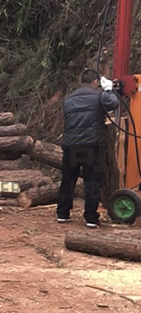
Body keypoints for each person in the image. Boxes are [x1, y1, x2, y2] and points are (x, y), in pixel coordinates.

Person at [56, 68, 119, 227]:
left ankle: (62, 213)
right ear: (96, 82)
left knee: (68, 180)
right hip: (91, 146)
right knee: (91, 181)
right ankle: (91, 218)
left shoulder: (68, 99)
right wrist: (109, 89)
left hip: (71, 146)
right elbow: (113, 103)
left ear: (81, 82)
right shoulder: (99, 96)